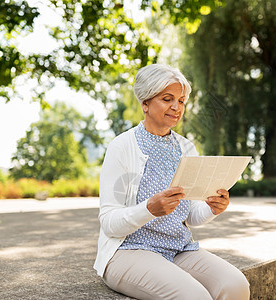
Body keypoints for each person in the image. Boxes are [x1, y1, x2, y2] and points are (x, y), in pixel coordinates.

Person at [94, 64, 250, 300]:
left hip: (179, 248)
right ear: (145, 103)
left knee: (236, 285)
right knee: (195, 297)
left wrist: (212, 207)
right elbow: (109, 223)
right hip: (127, 250)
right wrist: (148, 210)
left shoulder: (186, 147)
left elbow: (191, 216)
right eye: (167, 99)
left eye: (181, 100)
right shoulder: (122, 147)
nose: (177, 107)